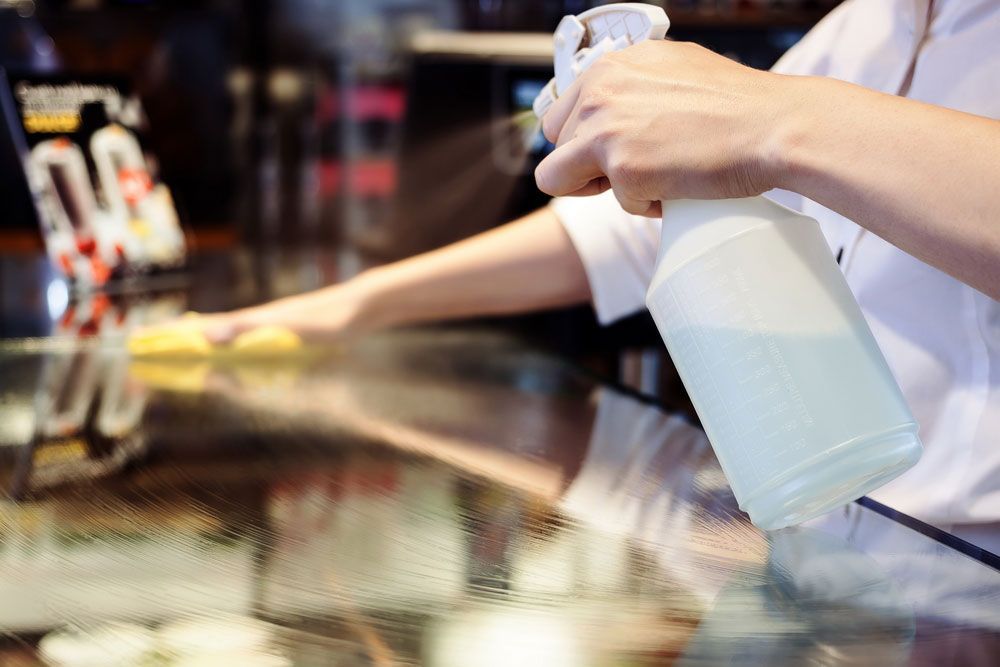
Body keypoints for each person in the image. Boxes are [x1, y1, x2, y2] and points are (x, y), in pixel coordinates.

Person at [186, 1, 999, 529]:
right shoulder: (869, 24)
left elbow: (770, 131)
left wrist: (778, 120)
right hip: (853, 535)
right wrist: (359, 303)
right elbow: (630, 234)